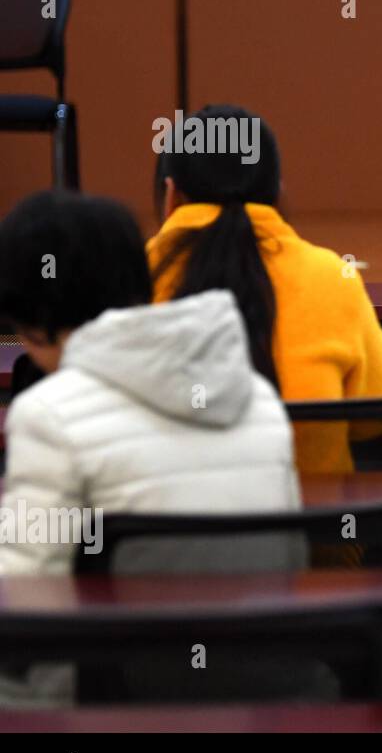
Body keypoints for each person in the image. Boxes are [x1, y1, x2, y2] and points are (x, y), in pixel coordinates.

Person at [0, 190, 299, 578]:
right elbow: (293, 557)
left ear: (34, 322)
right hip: (270, 635)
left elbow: (27, 587)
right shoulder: (257, 397)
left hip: (126, 638)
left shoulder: (47, 416)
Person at [149, 104, 382, 473]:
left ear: (171, 196)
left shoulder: (130, 278)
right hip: (315, 529)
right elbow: (377, 417)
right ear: (278, 195)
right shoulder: (333, 277)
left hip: (164, 526)